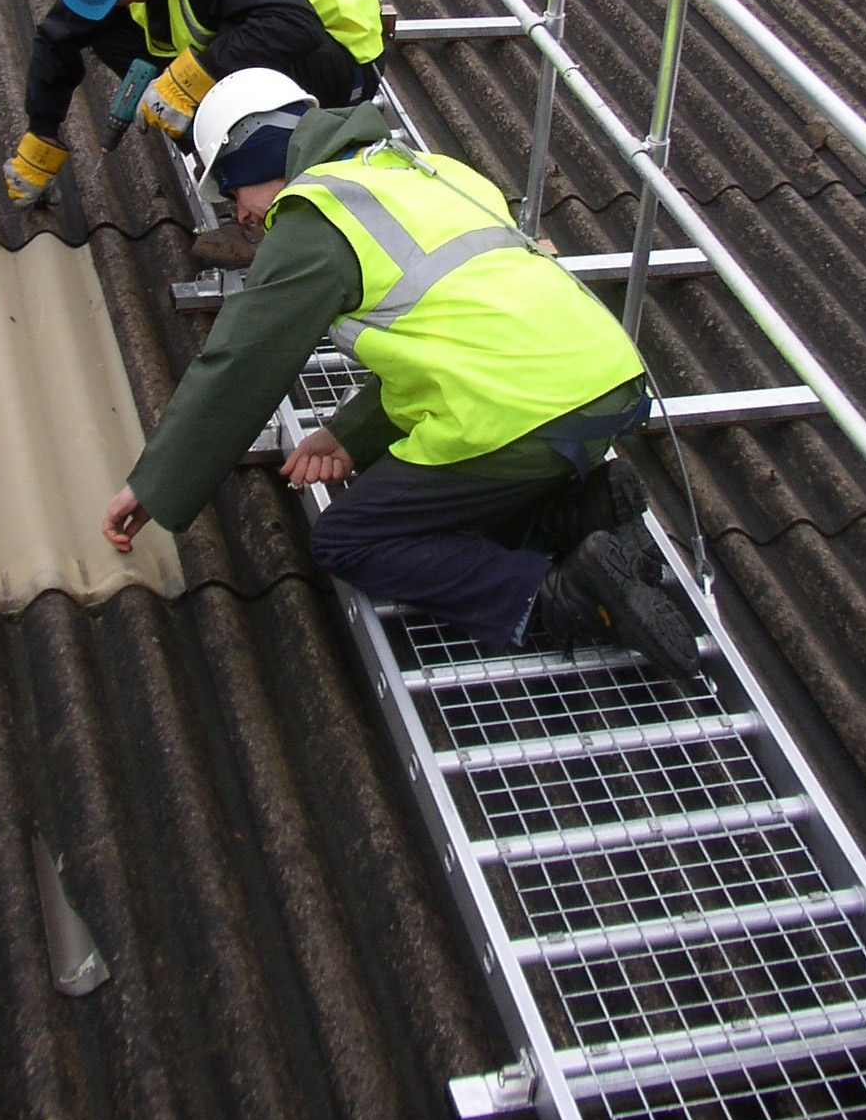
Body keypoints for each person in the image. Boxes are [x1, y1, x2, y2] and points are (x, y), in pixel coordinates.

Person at [101, 70, 699, 679]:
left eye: (233, 197)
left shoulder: (314, 218)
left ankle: (561, 597)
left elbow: (239, 366)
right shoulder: (427, 171)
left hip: (521, 414)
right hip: (606, 381)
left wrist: (156, 487)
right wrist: (346, 437)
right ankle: (582, 512)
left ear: (250, 156)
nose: (243, 218)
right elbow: (452, 343)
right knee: (444, 492)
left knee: (350, 540)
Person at [2, 0, 384, 226]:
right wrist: (42, 132)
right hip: (259, 32)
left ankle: (266, 205)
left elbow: (291, 25)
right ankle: (220, 154)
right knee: (105, 28)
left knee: (223, 72)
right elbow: (57, 38)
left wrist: (195, 76)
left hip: (341, 55)